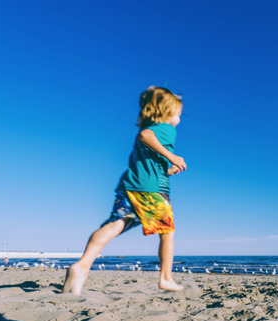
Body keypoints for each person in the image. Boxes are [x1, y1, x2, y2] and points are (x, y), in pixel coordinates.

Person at [63, 86, 191, 295]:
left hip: (132, 184)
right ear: (167, 112)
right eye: (178, 113)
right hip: (151, 190)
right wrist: (172, 157)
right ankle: (166, 278)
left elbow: (149, 158)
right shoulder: (166, 128)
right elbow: (145, 136)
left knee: (117, 223)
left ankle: (82, 265)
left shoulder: (154, 127)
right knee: (167, 232)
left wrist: (169, 168)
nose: (179, 118)